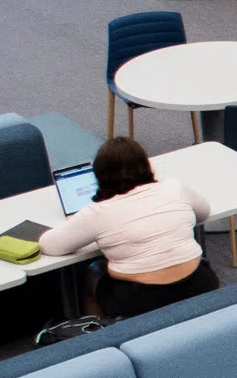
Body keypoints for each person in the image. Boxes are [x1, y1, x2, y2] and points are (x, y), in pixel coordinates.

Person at [37, 135, 218, 317]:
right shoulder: (174, 187)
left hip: (143, 300)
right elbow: (204, 212)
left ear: (99, 176)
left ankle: (97, 335)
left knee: (94, 273)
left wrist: (92, 235)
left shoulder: (98, 212)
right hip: (201, 283)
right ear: (146, 166)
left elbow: (49, 245)